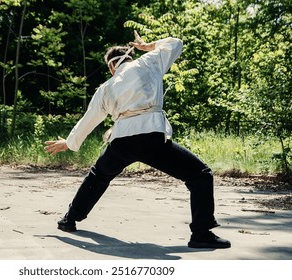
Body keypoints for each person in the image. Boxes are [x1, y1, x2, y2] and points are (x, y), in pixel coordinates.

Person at [44, 31, 231, 249]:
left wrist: (68, 142)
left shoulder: (106, 87)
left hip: (122, 141)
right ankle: (201, 234)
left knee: (98, 176)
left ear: (112, 66)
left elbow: (89, 119)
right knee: (200, 175)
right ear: (130, 56)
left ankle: (69, 219)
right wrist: (149, 46)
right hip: (151, 137)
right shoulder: (149, 62)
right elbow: (176, 43)